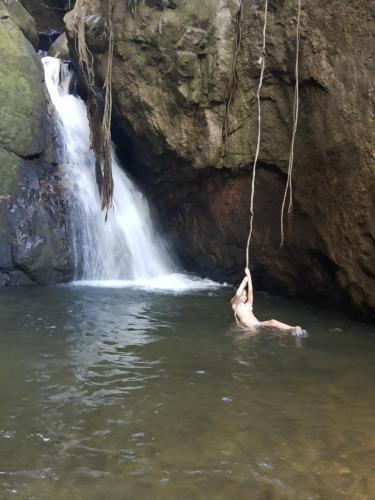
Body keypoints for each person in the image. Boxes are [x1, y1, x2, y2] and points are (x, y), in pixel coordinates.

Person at [230, 268, 306, 335]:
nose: (244, 297)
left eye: (245, 295)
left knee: (273, 321)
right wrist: (244, 282)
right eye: (242, 295)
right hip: (250, 327)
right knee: (255, 334)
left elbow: (250, 291)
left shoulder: (248, 305)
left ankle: (292, 329)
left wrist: (249, 276)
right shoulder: (235, 306)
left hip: (258, 324)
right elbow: (237, 294)